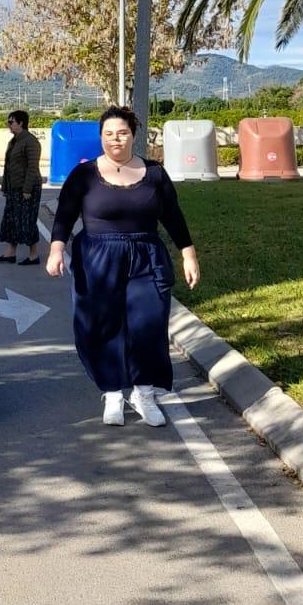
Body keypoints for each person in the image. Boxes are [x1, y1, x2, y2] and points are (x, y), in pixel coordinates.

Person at [46, 104, 200, 428]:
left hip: (146, 255)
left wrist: (188, 254)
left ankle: (144, 393)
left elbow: (173, 216)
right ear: (101, 137)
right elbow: (64, 215)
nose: (115, 140)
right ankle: (113, 391)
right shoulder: (84, 175)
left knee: (149, 324)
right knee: (102, 326)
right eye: (108, 134)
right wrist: (56, 250)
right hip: (97, 259)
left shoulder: (154, 173)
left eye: (122, 133)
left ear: (133, 134)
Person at [0, 111, 43, 266]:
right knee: (11, 220)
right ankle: (10, 253)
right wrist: (5, 187)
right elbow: (8, 166)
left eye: (11, 122)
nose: (9, 124)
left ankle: (34, 255)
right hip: (14, 187)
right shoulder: (14, 141)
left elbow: (32, 167)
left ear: (21, 123)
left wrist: (27, 190)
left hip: (27, 187)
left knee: (27, 220)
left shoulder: (30, 141)